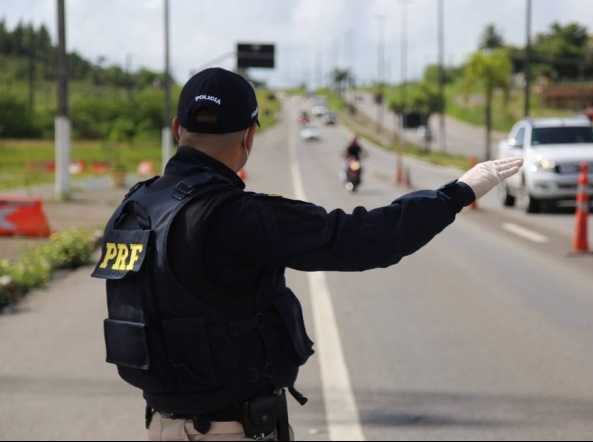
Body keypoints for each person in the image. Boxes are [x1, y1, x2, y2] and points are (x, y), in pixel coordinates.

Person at [92, 68, 523, 441]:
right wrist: (457, 193)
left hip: (161, 425)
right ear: (249, 136)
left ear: (175, 128)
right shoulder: (241, 216)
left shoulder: (136, 206)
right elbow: (365, 238)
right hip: (233, 428)